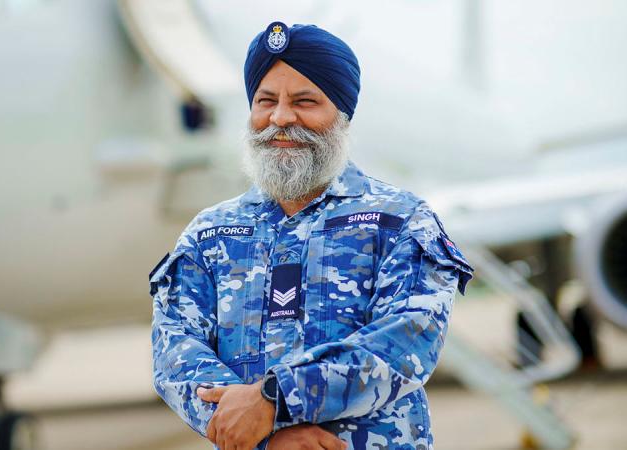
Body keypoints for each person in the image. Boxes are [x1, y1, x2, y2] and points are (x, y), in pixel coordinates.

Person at [148, 21, 474, 450]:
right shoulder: (209, 234)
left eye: (304, 101)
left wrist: (274, 402)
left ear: (342, 115)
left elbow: (405, 343)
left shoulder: (399, 222)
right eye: (266, 101)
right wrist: (270, 437)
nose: (281, 118)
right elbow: (175, 352)